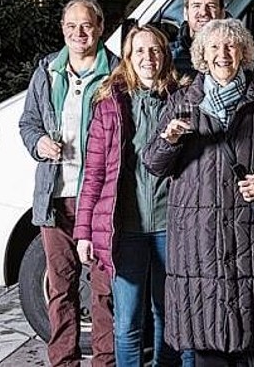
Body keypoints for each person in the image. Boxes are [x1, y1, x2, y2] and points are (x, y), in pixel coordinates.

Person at [143, 18, 254, 367]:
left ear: (244, 53)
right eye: (214, 46)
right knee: (208, 346)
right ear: (201, 54)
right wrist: (168, 140)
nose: (223, 54)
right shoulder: (182, 102)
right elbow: (153, 163)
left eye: (231, 46)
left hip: (252, 238)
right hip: (199, 243)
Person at [73, 25, 186, 366]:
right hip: (126, 229)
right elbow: (93, 174)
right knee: (127, 323)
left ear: (164, 55)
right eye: (139, 51)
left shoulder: (180, 99)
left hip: (171, 226)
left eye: (154, 50)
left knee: (168, 317)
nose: (147, 58)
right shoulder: (110, 105)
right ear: (128, 57)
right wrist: (84, 231)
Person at [18, 0, 118, 367]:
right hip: (55, 196)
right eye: (71, 26)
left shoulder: (117, 73)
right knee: (60, 288)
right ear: (63, 30)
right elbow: (28, 122)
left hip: (100, 199)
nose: (79, 33)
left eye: (86, 25)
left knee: (103, 290)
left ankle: (105, 361)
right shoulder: (46, 71)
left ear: (100, 27)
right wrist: (39, 143)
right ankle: (63, 361)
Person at [172, 0, 225, 78]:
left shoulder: (237, 54)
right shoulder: (170, 56)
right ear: (185, 13)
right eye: (196, 6)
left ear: (222, 13)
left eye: (211, 6)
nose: (204, 12)